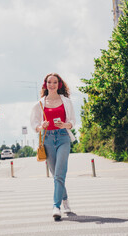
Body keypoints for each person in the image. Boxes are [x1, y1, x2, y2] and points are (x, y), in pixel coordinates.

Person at [30, 73, 76, 221]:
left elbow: (73, 122)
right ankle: (65, 200)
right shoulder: (40, 104)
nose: (52, 85)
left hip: (63, 137)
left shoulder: (67, 102)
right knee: (56, 174)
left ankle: (56, 206)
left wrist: (64, 125)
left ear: (59, 84)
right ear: (45, 85)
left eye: (55, 82)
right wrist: (41, 126)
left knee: (60, 173)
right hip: (48, 140)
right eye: (49, 82)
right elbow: (34, 125)